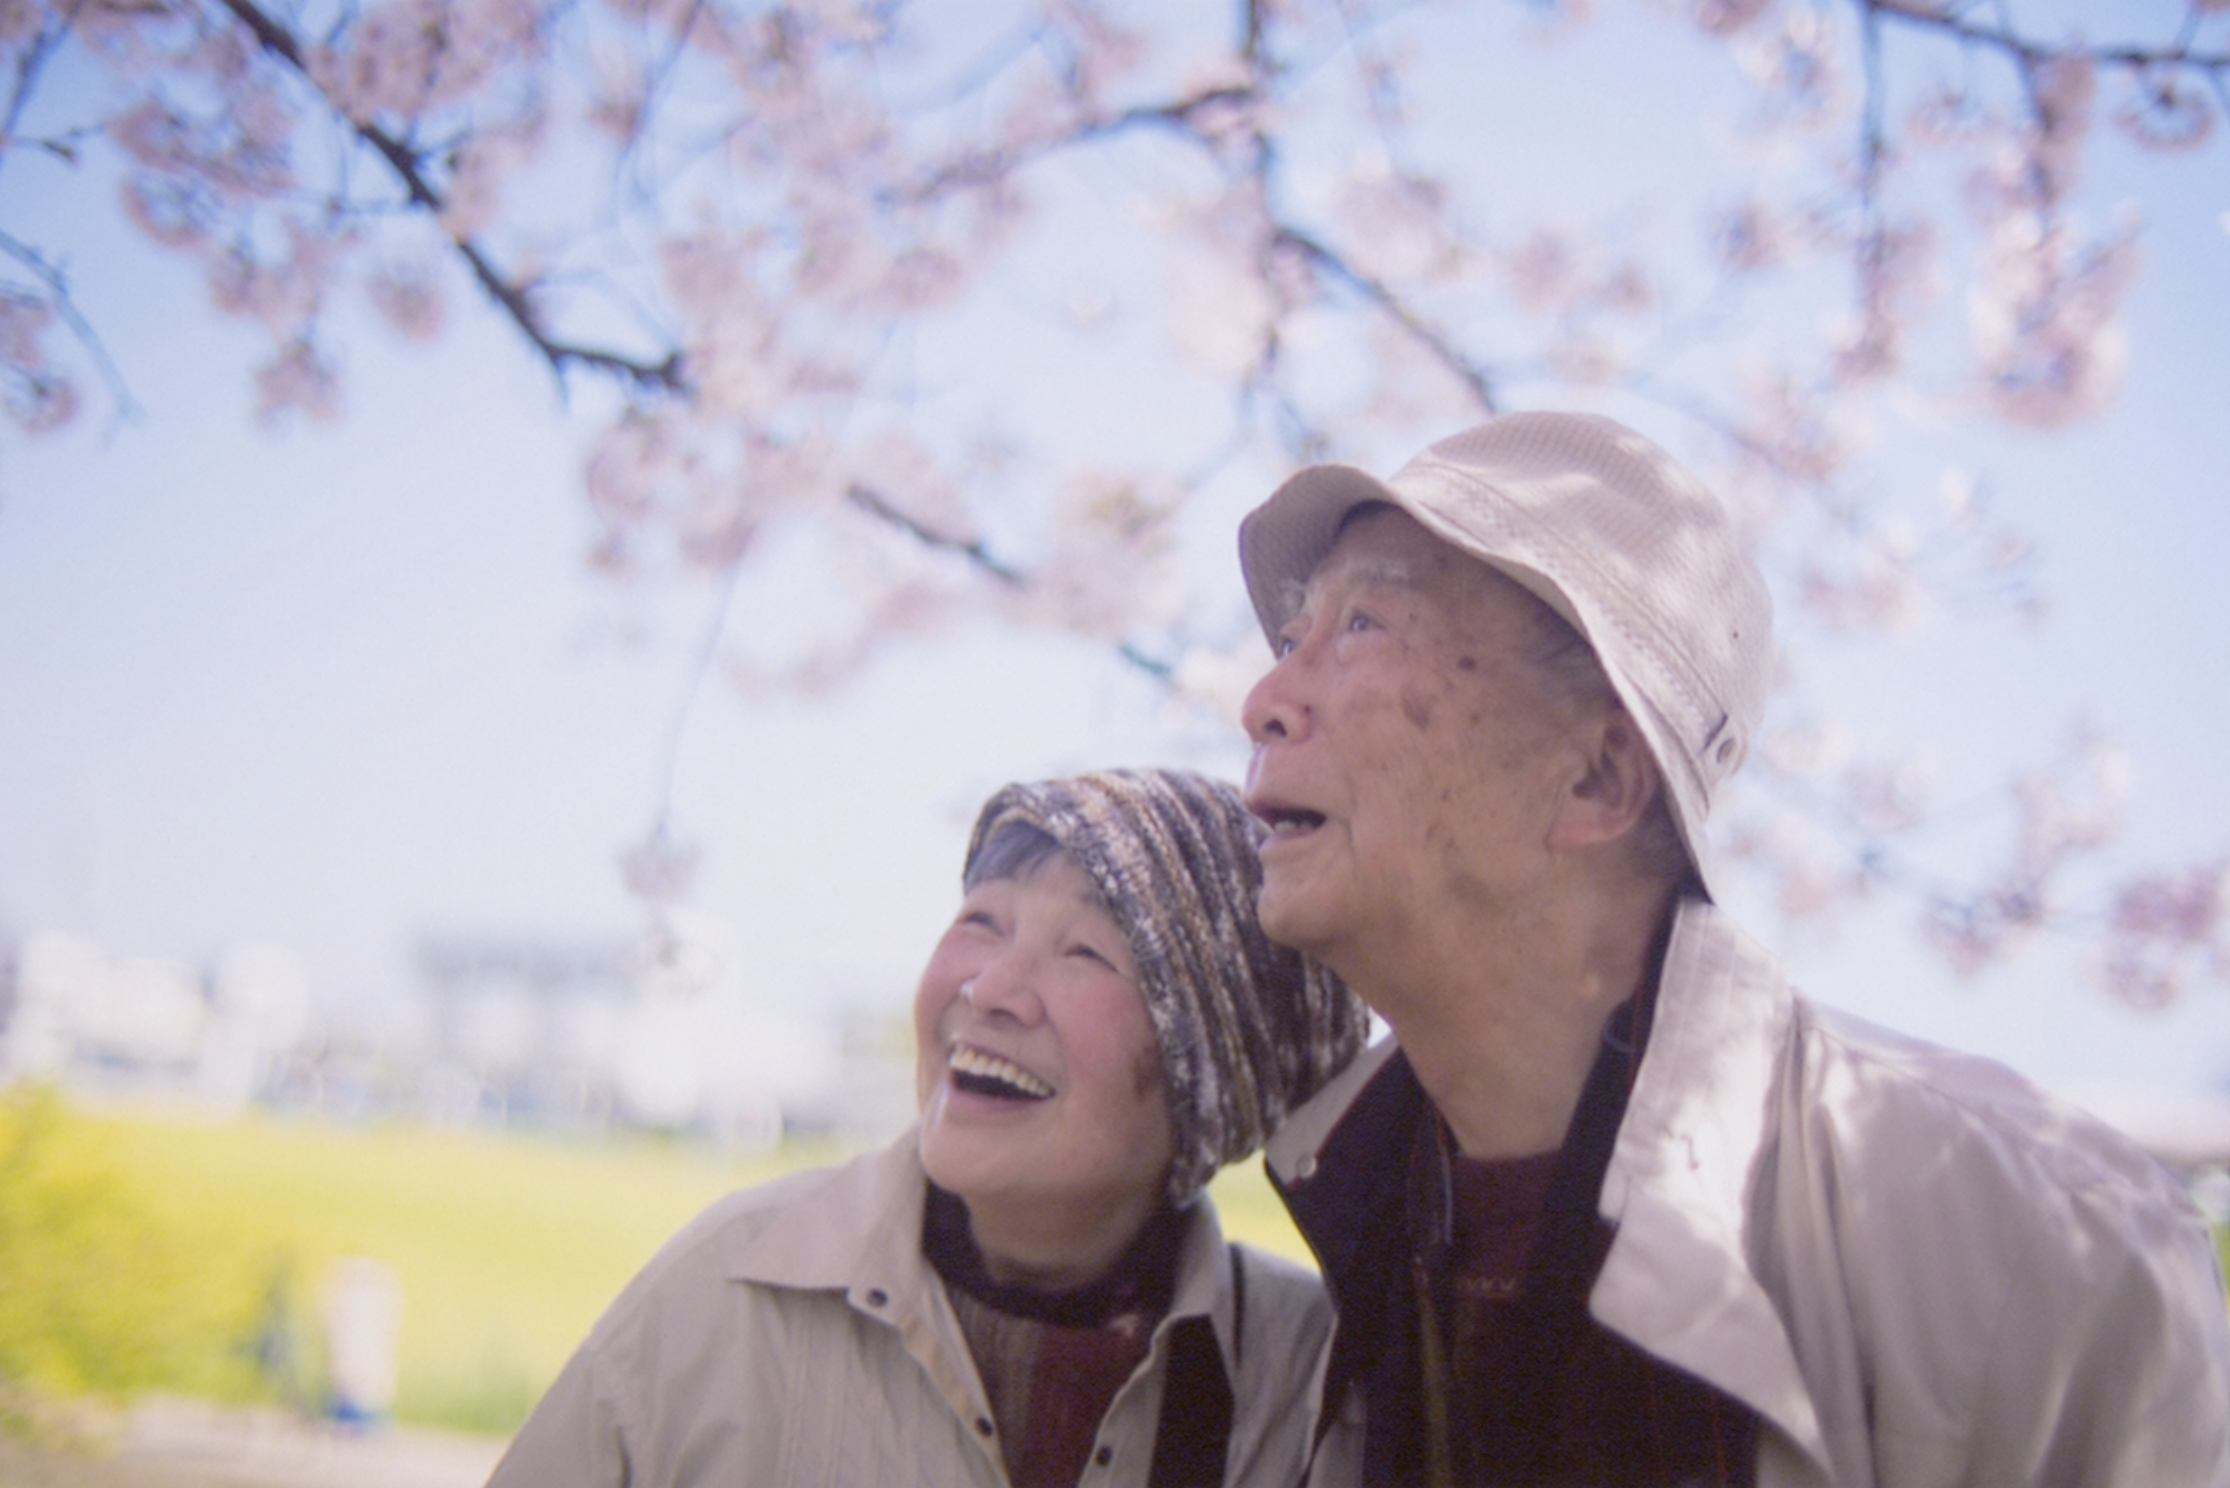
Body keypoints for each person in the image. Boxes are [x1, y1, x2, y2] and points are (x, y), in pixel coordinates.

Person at [1235, 411, 2230, 1488]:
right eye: (1292, 640)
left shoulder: (2043, 1248)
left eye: (1366, 625)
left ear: (1597, 778)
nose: (1261, 700)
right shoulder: (1317, 1289)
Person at [485, 769, 1368, 1488]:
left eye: (1084, 952)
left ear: (1210, 1077)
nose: (987, 990)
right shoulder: (726, 1293)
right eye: (982, 921)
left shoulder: (1304, 1378)